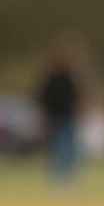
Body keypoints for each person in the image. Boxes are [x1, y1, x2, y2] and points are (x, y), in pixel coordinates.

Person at [36, 40, 83, 189]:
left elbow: (77, 98)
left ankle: (67, 175)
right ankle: (57, 175)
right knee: (57, 146)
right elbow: (43, 98)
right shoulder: (52, 79)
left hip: (66, 116)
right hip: (56, 117)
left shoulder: (68, 79)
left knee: (67, 146)